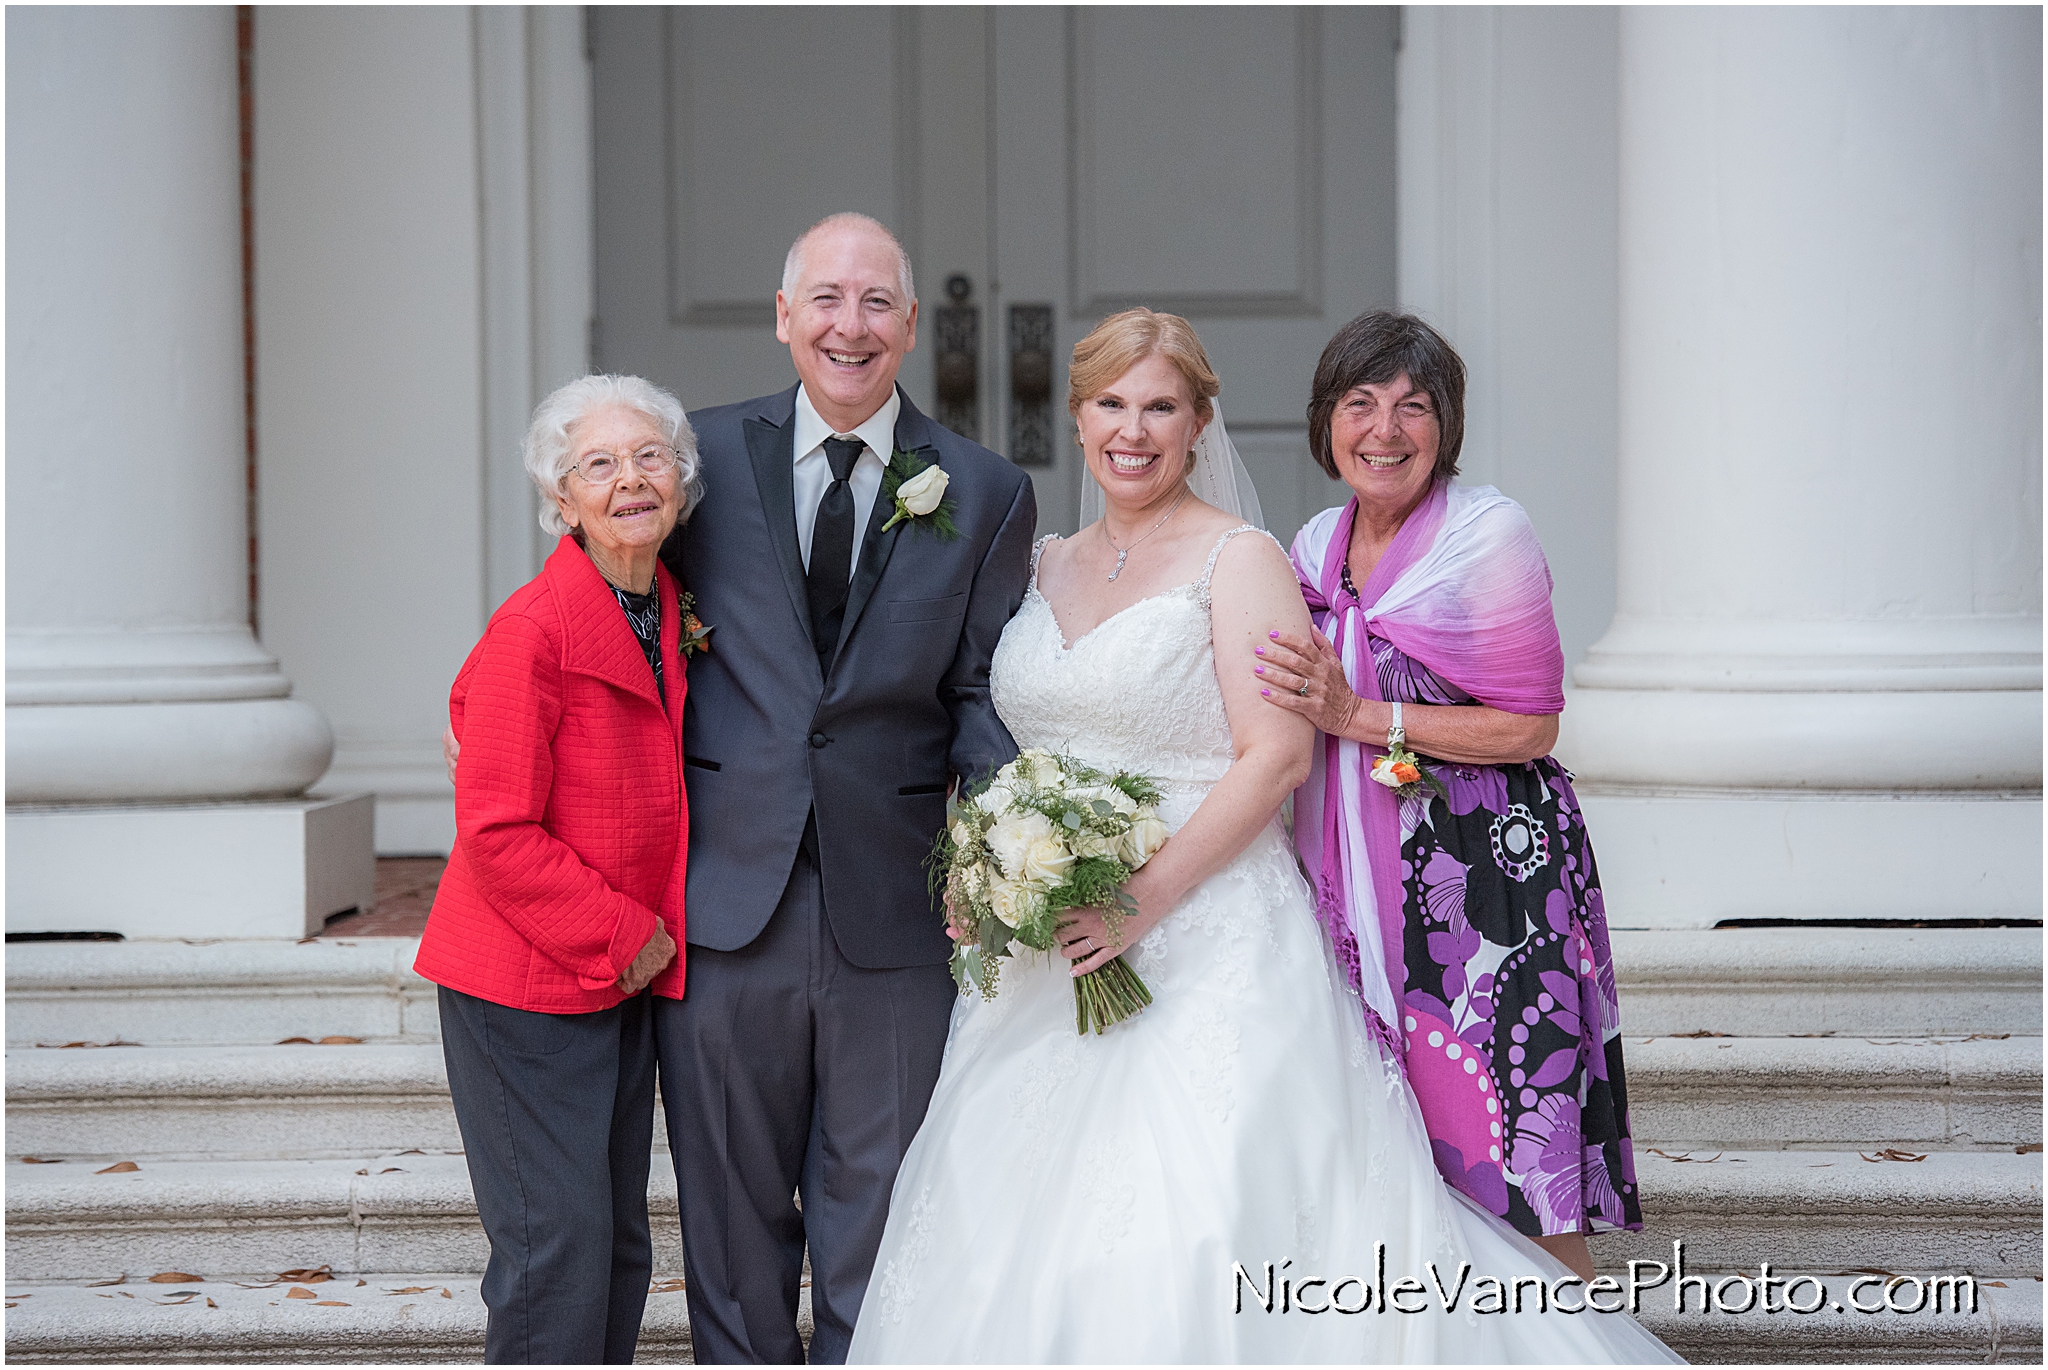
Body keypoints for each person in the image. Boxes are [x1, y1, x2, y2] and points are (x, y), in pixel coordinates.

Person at [848, 308, 1676, 1362]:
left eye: (1159, 406)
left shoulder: (1242, 558)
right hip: (1041, 953)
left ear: (1199, 423)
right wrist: (987, 856)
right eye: (1110, 403)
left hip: (1218, 926)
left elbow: (1277, 755)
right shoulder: (1046, 561)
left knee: (1192, 1209)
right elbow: (1010, 733)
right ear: (1075, 414)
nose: (1132, 429)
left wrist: (1139, 897)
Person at [653, 212, 1037, 1363]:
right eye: (824, 297)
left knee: (878, 1218)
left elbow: (979, 693)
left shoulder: (984, 488)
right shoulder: (695, 458)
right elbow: (611, 619)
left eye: (875, 301)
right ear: (783, 318)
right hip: (725, 894)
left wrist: (989, 853)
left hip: (896, 903)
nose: (848, 324)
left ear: (910, 325)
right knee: (728, 1224)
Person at [1254, 309, 1643, 1282]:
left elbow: (1528, 726)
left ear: (1446, 425)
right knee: (1396, 1145)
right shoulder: (1307, 547)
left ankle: (1574, 1341)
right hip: (1353, 883)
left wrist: (1360, 716)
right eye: (1360, 402)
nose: (1384, 428)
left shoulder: (1485, 534)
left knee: (1513, 1138)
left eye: (1411, 406)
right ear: (1324, 421)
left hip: (1486, 885)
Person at [415, 374, 699, 1363]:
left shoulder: (662, 604)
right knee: (554, 1253)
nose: (629, 479)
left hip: (609, 985)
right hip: (524, 988)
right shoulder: (534, 631)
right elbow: (494, 832)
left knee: (616, 1247)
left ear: (680, 480)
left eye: (648, 456)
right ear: (561, 500)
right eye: (599, 463)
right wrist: (630, 932)